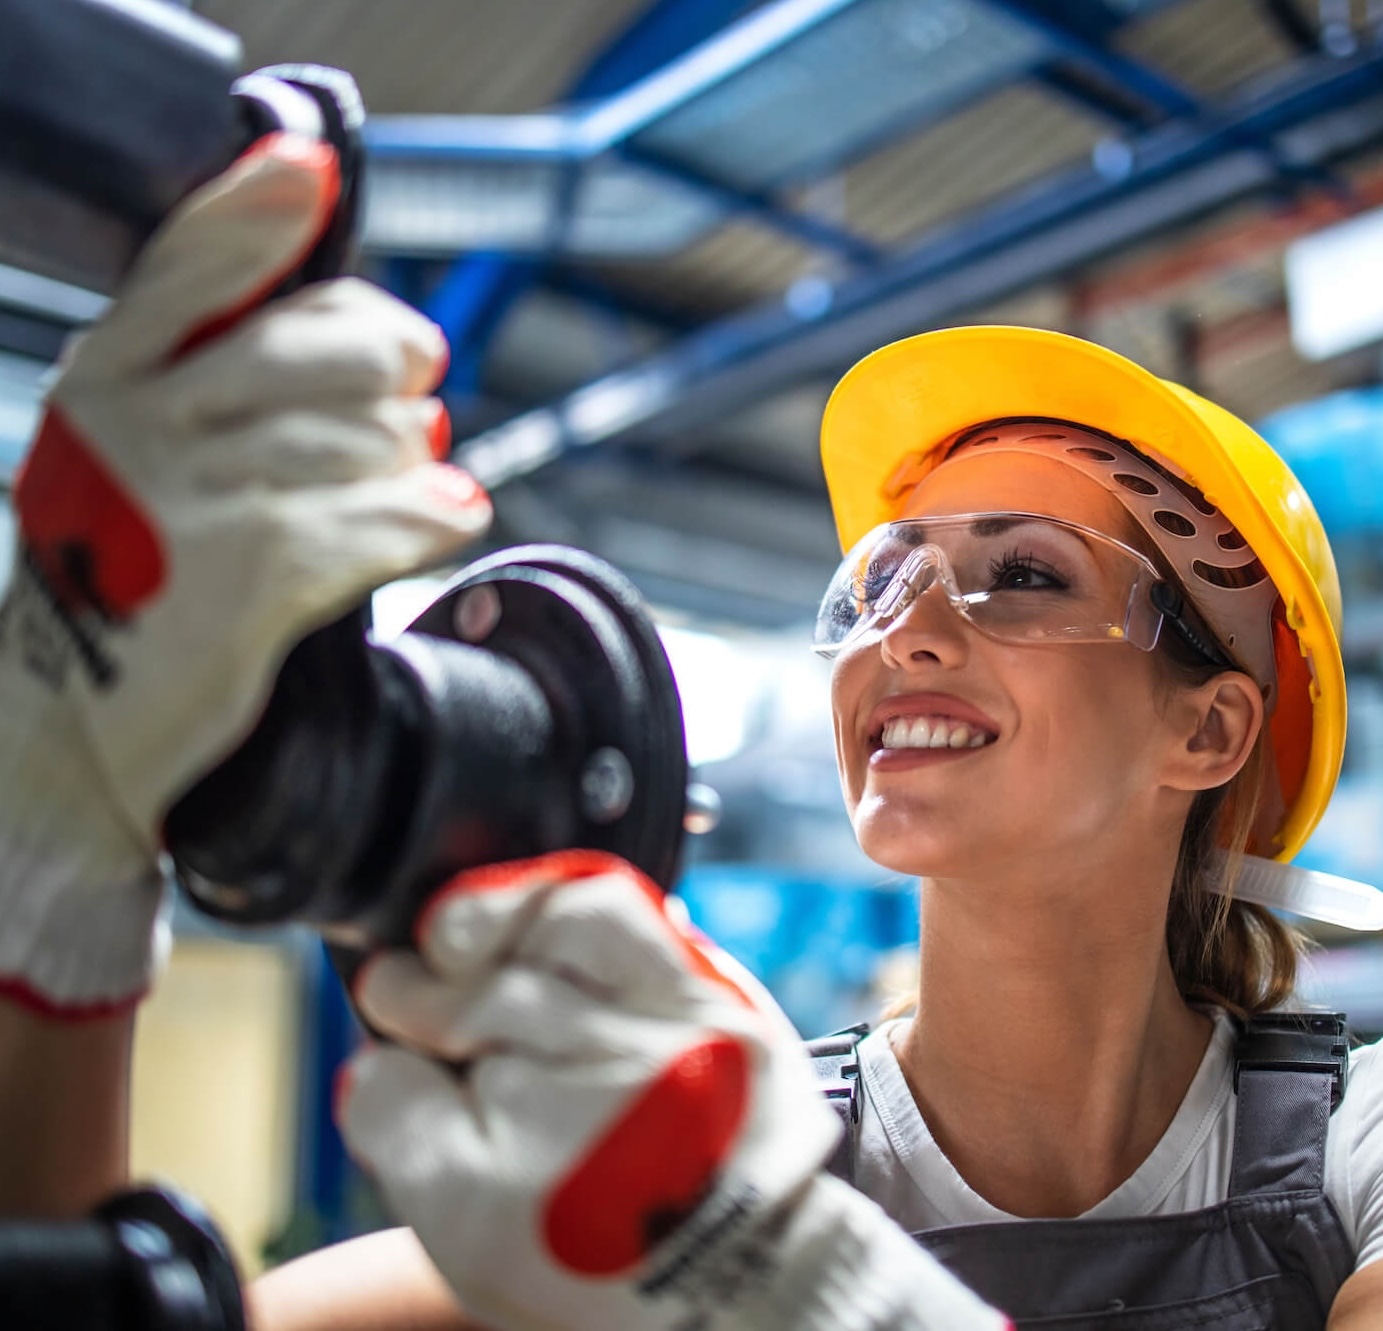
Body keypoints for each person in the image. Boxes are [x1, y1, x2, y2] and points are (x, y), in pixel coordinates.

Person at [0, 137, 1006, 1330]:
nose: (908, 634)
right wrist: (46, 887)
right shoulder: (668, 1171)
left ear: (1215, 728)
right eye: (882, 582)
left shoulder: (1290, 1171)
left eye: (1028, 573)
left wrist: (823, 1300)